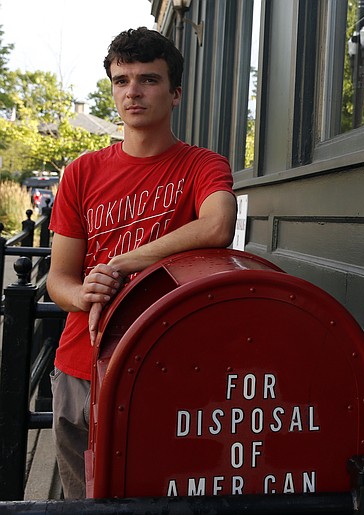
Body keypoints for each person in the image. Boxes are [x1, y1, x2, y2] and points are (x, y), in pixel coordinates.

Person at [46, 27, 237, 499]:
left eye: (148, 79)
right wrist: (83, 292)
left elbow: (217, 226)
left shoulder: (201, 165)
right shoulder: (81, 173)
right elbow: (59, 279)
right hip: (81, 365)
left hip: (167, 366)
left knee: (160, 497)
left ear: (174, 93)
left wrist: (123, 263)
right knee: (82, 502)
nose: (132, 91)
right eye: (121, 80)